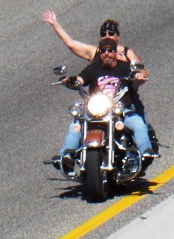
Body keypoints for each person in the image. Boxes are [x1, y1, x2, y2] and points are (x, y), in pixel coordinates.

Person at [55, 38, 157, 167]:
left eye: (110, 50)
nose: (106, 53)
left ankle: (145, 152)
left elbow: (140, 71)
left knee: (137, 121)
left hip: (119, 110)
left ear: (115, 52)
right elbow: (81, 79)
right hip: (97, 109)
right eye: (103, 51)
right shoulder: (94, 68)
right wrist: (72, 81)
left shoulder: (125, 67)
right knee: (76, 125)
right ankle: (65, 157)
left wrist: (138, 76)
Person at [42, 10, 146, 68]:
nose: (107, 36)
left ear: (117, 36)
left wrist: (138, 76)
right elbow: (70, 43)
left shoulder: (127, 52)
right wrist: (55, 24)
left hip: (123, 96)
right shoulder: (95, 52)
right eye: (103, 34)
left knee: (134, 106)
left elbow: (140, 69)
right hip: (100, 96)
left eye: (111, 33)